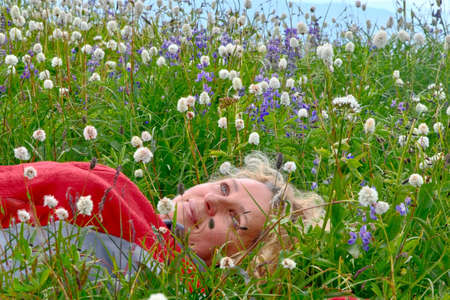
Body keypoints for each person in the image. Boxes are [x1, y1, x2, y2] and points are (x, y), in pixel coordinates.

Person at [0, 152, 327, 283]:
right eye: (225, 188)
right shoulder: (141, 214)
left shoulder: (172, 277)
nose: (212, 199)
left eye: (235, 218)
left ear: (243, 259)